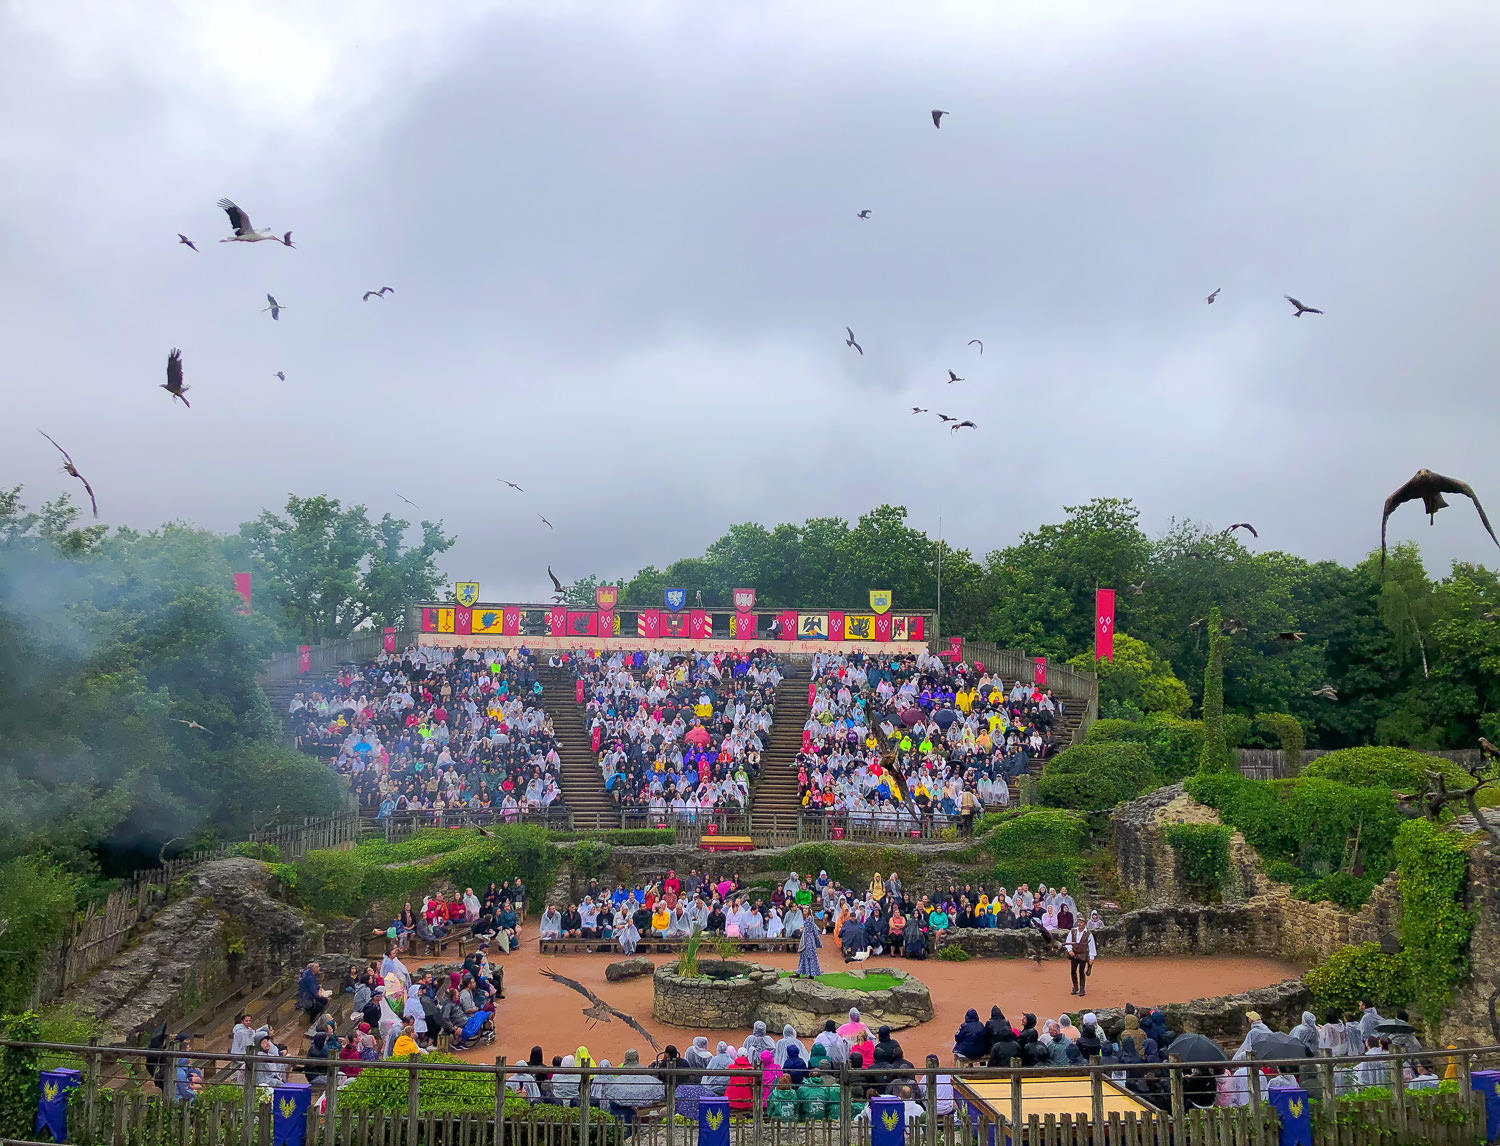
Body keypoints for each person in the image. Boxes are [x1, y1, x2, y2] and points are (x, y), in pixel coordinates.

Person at [1063, 922, 1095, 997]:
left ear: (1084, 924)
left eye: (1082, 922)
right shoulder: (1073, 931)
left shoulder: (1088, 934)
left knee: (1081, 971)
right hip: (1074, 954)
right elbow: (1068, 941)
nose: (1080, 924)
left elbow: (1091, 946)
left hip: (1083, 955)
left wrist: (1091, 958)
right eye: (1079, 922)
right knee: (1073, 971)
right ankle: (1075, 986)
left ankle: (1082, 989)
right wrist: (1070, 950)